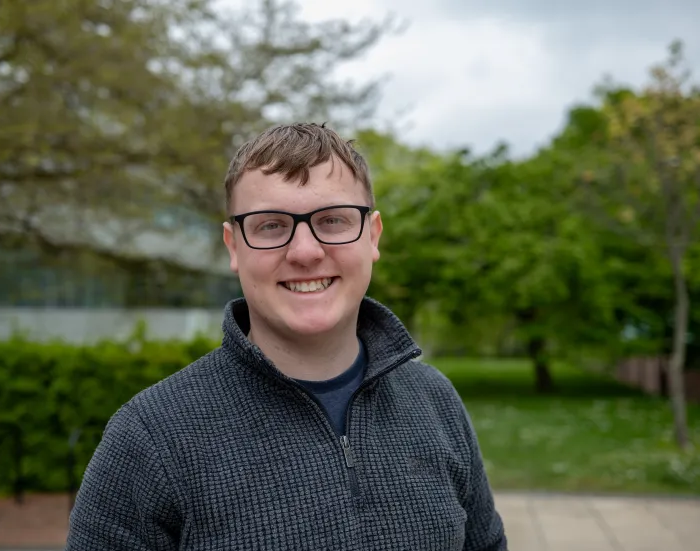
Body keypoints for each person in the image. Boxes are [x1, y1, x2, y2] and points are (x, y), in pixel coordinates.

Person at [65, 123, 507, 550]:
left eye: (333, 220)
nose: (306, 251)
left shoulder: (436, 402)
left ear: (372, 236)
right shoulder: (150, 437)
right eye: (271, 225)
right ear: (233, 246)